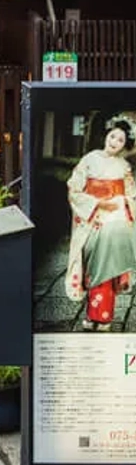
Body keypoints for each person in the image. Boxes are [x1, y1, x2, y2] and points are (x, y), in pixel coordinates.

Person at [66, 116, 136, 330]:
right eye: (113, 135)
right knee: (91, 262)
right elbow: (74, 188)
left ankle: (103, 317)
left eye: (120, 140)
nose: (114, 141)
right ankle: (93, 314)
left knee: (108, 264)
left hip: (114, 220)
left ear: (125, 145)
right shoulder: (89, 159)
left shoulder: (124, 166)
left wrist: (122, 202)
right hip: (93, 217)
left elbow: (131, 194)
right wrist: (97, 203)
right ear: (106, 134)